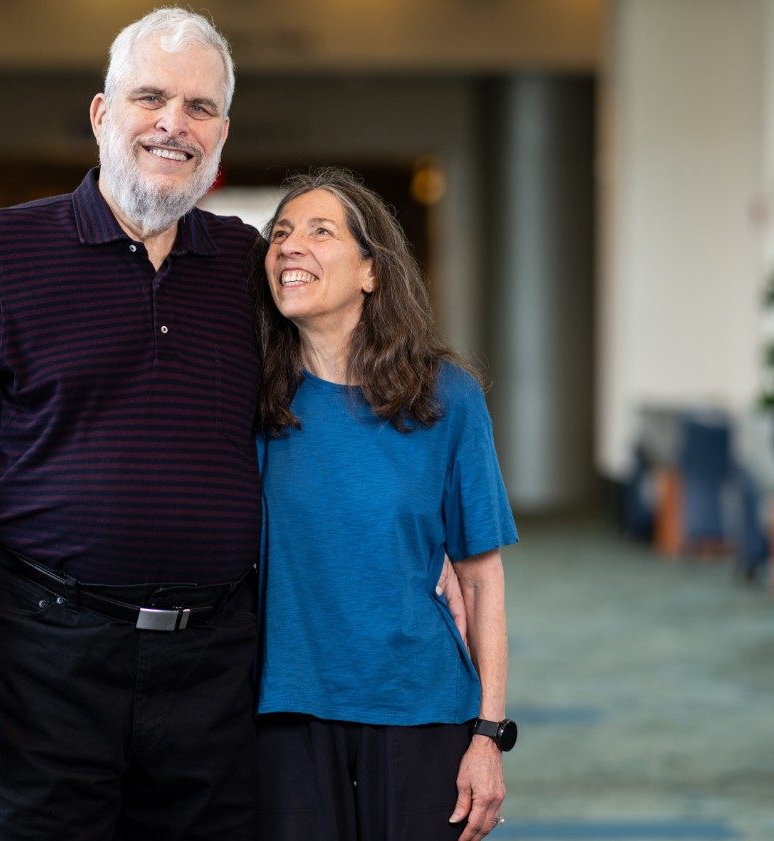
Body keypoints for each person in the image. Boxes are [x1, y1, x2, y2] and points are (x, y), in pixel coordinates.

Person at [0, 9, 263, 840]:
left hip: (215, 669)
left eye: (200, 107)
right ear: (103, 115)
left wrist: (418, 545)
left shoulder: (248, 269)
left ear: (221, 134)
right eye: (151, 98)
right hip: (41, 660)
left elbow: (341, 408)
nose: (174, 124)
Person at [252, 168, 519, 841]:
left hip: (419, 704)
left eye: (319, 231)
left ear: (371, 270)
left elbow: (481, 579)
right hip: (283, 709)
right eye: (280, 233)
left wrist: (488, 733)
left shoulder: (447, 396)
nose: (290, 246)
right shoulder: (250, 400)